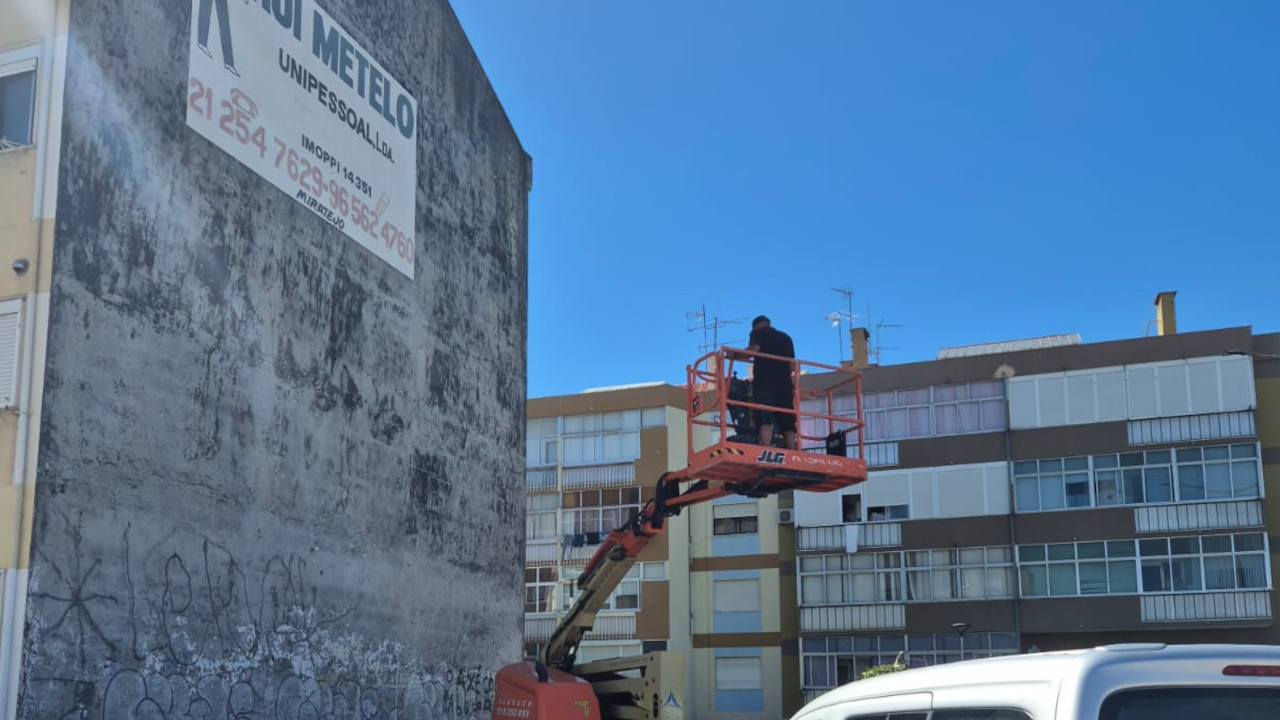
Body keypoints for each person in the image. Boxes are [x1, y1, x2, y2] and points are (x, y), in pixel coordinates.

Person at [746, 315, 797, 449]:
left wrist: (734, 354)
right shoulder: (786, 338)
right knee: (788, 424)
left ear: (756, 326)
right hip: (785, 385)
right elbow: (792, 366)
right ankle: (791, 453)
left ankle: (765, 449)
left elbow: (754, 350)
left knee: (764, 419)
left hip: (765, 383)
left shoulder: (758, 333)